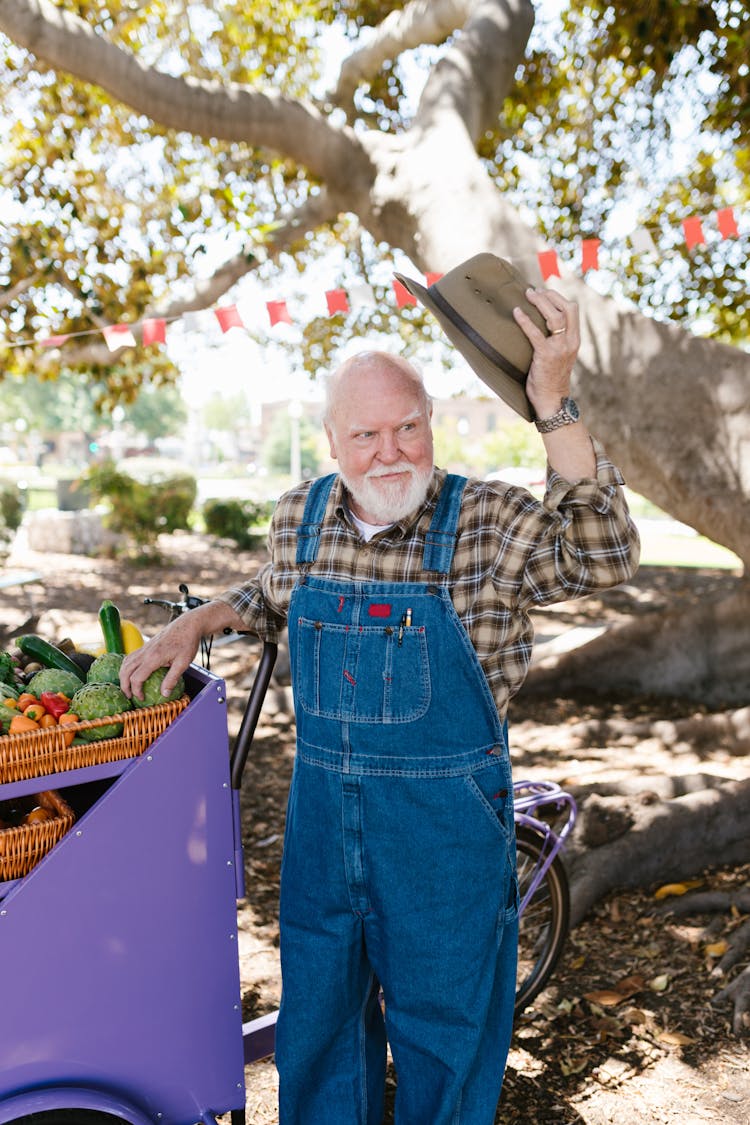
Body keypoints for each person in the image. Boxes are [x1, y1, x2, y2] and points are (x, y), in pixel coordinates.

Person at [120, 283, 640, 1125]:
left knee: (446, 1031)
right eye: (365, 434)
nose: (390, 452)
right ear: (334, 442)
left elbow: (603, 553)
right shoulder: (302, 516)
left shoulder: (485, 520)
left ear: (431, 423)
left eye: (409, 426)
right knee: (319, 1028)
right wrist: (208, 617)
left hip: (443, 836)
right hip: (323, 824)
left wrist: (552, 402)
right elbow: (275, 591)